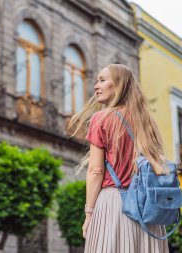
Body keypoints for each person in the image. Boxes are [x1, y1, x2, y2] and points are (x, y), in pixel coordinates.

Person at [68, 64, 169, 252]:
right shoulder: (147, 121)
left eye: (102, 80)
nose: (96, 86)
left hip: (114, 204)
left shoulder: (101, 119)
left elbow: (96, 170)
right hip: (148, 208)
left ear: (119, 85)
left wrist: (89, 214)